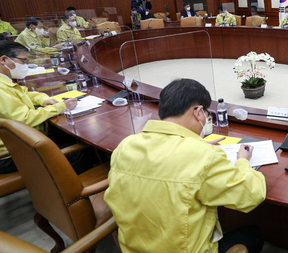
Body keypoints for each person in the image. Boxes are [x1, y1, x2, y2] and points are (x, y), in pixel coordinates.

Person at [105, 79, 266, 253]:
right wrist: (243, 161)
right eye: (206, 114)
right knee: (253, 234)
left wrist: (199, 149)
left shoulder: (125, 146)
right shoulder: (204, 156)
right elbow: (251, 194)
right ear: (198, 112)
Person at [0, 40, 77, 174]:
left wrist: (44, 99)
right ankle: (74, 192)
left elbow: (24, 94)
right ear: (4, 60)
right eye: (23, 61)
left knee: (69, 137)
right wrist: (60, 107)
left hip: (21, 142)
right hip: (10, 154)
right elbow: (23, 119)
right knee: (78, 152)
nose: (25, 65)